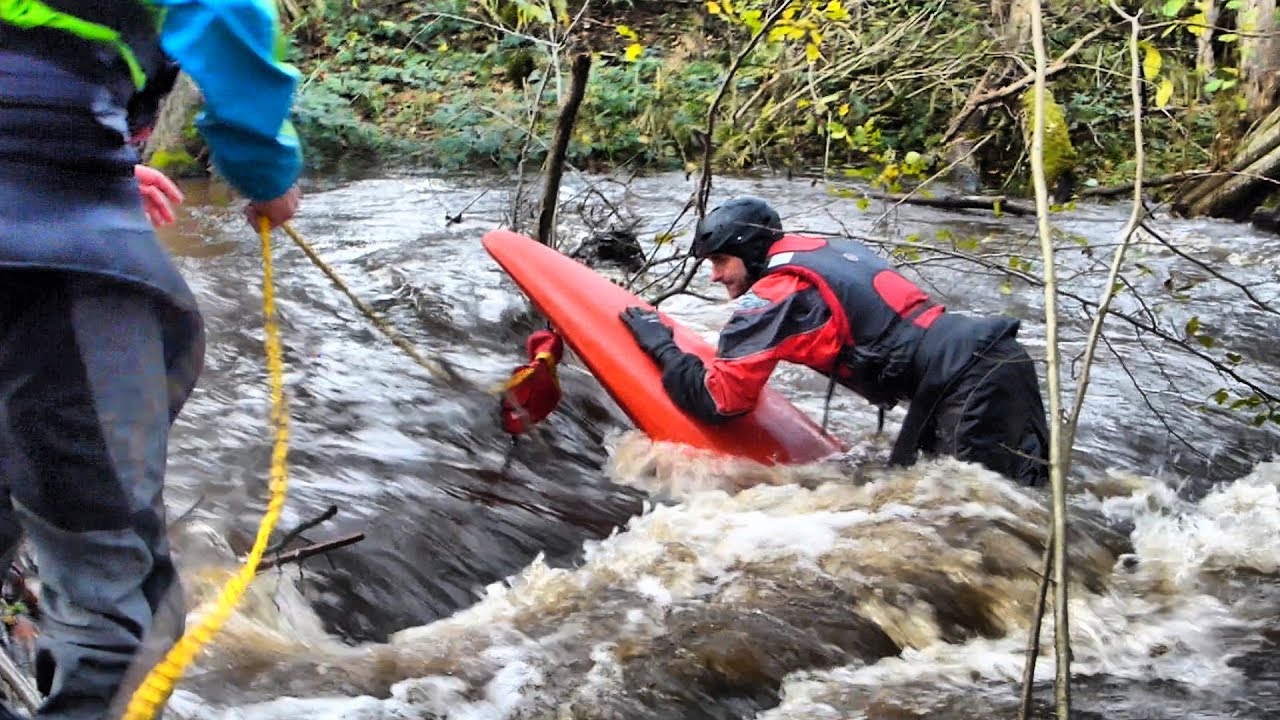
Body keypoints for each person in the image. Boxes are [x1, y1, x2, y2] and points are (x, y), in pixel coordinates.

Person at [0, 2, 304, 718]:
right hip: (53, 262)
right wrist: (266, 174)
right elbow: (224, 19)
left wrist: (88, 151)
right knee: (123, 610)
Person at [619, 196, 1049, 485]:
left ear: (749, 252)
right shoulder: (823, 250)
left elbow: (720, 401)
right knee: (1010, 500)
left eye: (719, 261)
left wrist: (661, 345)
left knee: (972, 522)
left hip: (964, 381)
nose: (714, 275)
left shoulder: (780, 291)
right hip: (994, 359)